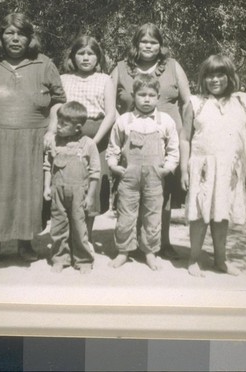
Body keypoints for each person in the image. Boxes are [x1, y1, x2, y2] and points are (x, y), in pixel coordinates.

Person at [0, 13, 66, 264]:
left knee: (28, 192)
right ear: (1, 36)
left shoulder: (44, 63)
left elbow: (58, 101)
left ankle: (25, 244)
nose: (15, 38)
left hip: (32, 140)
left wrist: (51, 131)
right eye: (10, 33)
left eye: (21, 34)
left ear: (30, 38)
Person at [111, 22, 190, 259]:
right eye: (144, 41)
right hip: (132, 140)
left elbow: (186, 102)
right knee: (131, 193)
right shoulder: (121, 67)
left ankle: (161, 243)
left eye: (153, 41)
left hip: (166, 138)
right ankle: (130, 244)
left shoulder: (173, 67)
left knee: (161, 195)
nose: (148, 45)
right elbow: (110, 103)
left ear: (160, 45)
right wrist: (121, 125)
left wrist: (185, 132)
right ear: (136, 44)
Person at [180, 54, 246, 277]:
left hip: (230, 170)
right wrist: (183, 170)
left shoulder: (245, 102)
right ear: (203, 78)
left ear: (230, 76)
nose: (215, 80)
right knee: (199, 214)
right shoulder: (195, 103)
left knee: (221, 214)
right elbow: (185, 138)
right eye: (210, 75)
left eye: (220, 75)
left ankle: (220, 260)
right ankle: (194, 259)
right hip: (202, 168)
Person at [106, 74, 179, 270]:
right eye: (142, 95)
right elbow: (113, 147)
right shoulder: (124, 120)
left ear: (158, 97)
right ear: (133, 95)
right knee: (125, 214)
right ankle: (123, 251)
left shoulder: (165, 121)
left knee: (153, 215)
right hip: (128, 177)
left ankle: (150, 252)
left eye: (151, 95)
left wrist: (168, 168)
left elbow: (173, 149)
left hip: (155, 178)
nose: (146, 99)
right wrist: (113, 165)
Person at [47, 35, 116, 242]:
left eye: (91, 54)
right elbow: (56, 107)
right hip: (67, 136)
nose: (86, 58)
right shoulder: (64, 78)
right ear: (73, 56)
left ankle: (84, 237)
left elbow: (111, 113)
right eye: (81, 53)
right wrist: (52, 132)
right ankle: (66, 238)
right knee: (67, 184)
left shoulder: (105, 79)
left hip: (96, 136)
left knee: (91, 186)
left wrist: (93, 142)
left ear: (98, 57)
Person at [43, 101, 100, 274]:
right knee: (58, 226)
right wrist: (47, 187)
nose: (58, 127)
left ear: (77, 128)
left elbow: (95, 172)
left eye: (63, 124)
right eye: (58, 122)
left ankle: (83, 259)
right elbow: (47, 166)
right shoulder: (54, 142)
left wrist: (90, 196)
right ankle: (60, 258)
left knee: (79, 227)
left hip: (79, 193)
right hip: (57, 191)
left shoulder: (88, 144)